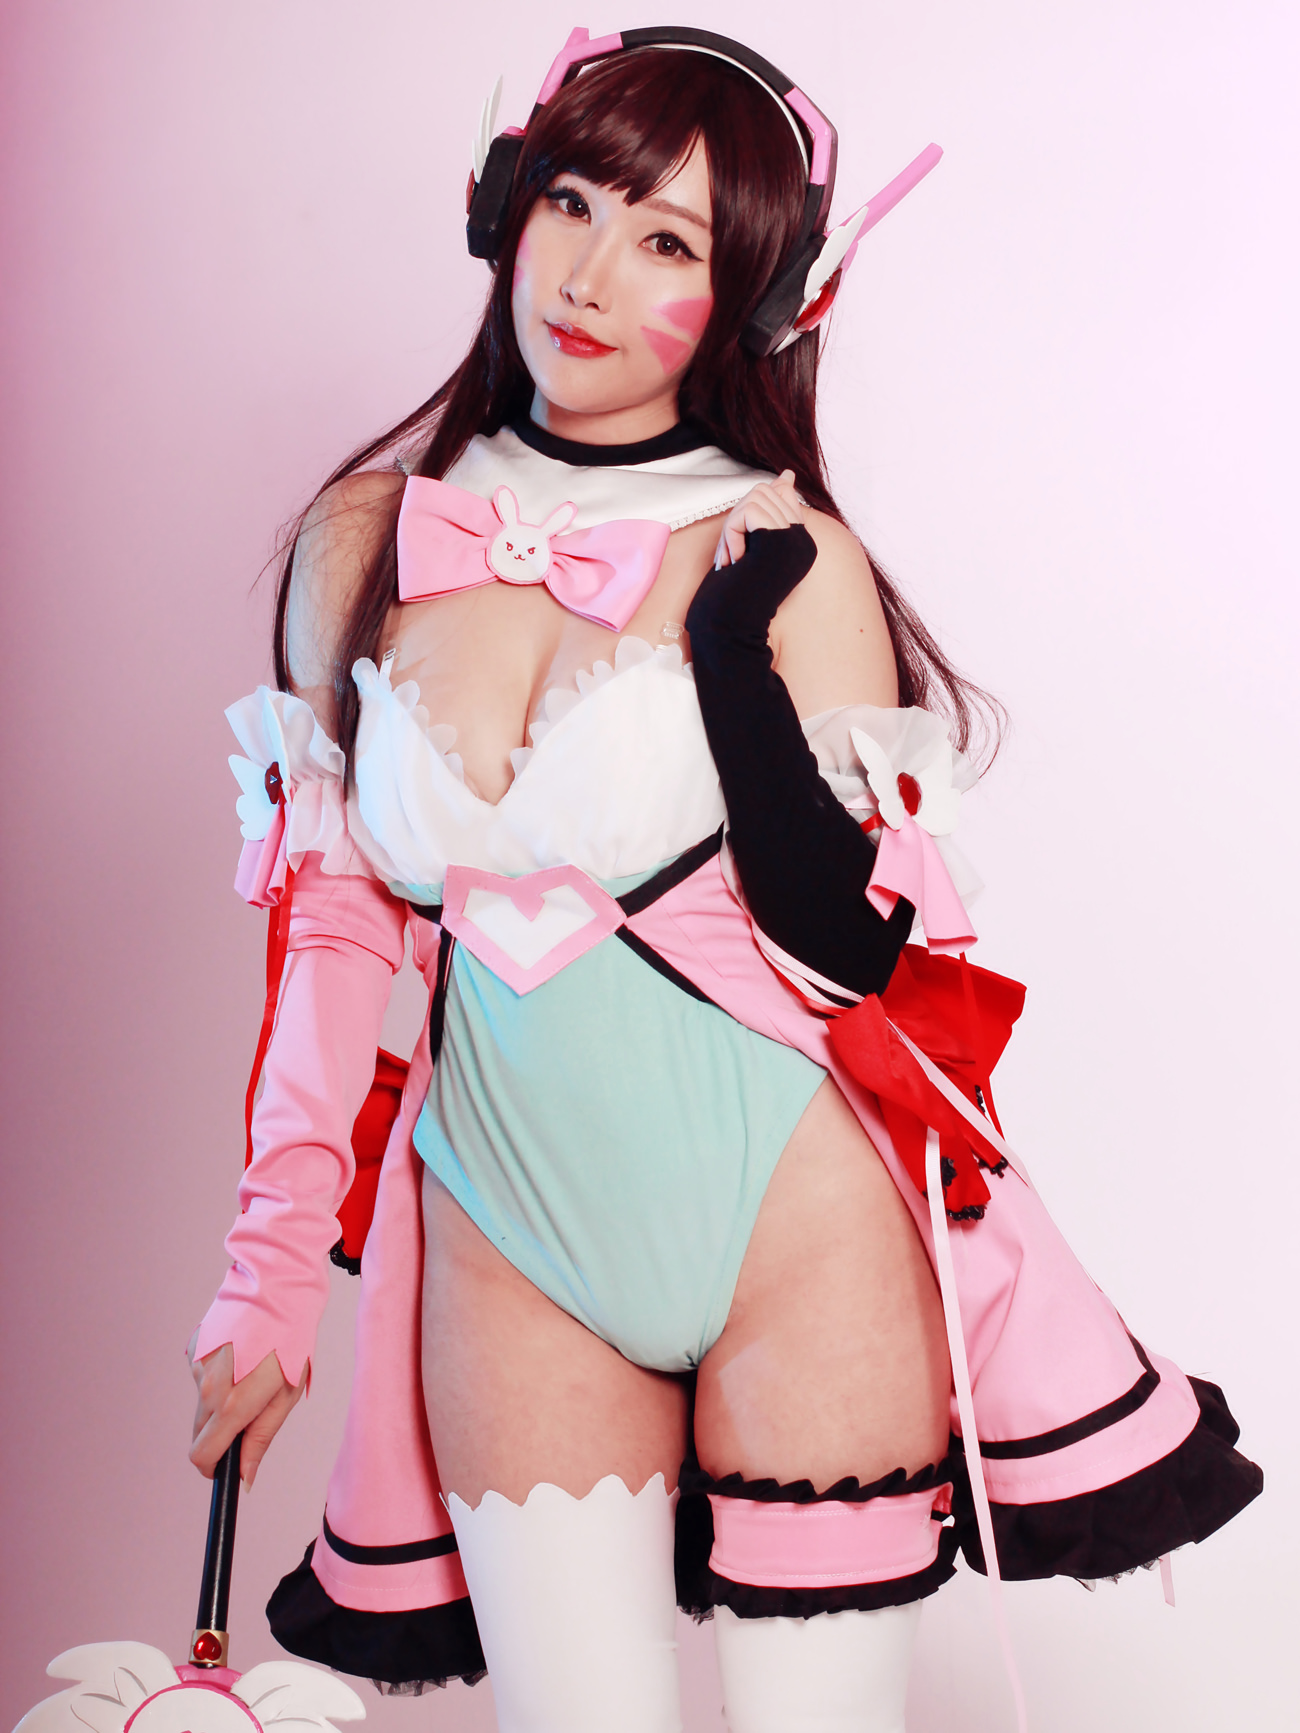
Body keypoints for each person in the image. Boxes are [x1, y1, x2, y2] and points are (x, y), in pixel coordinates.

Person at [187, 29, 1261, 1733]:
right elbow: (329, 931)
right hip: (507, 1226)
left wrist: (734, 663)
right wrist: (262, 1278)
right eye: (572, 202)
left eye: (668, 241)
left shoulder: (790, 551)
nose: (591, 274)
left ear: (761, 298)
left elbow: (848, 950)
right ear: (502, 203)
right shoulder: (367, 538)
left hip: (796, 1219)